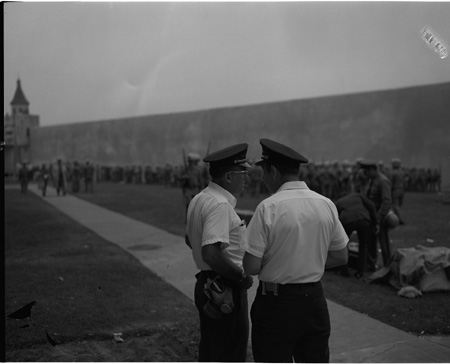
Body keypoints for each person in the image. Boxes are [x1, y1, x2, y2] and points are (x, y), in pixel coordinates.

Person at [242, 139, 348, 363]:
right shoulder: (326, 203)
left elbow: (251, 266)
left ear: (272, 171)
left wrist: (283, 261)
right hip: (314, 301)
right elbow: (340, 256)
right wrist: (308, 261)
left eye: (263, 172)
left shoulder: (268, 207)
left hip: (276, 304)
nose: (262, 179)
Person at [185, 143, 254, 362]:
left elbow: (190, 239)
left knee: (213, 349)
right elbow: (211, 253)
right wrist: (240, 276)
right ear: (228, 177)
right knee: (231, 351)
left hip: (208, 283)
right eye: (243, 173)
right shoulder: (220, 205)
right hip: (224, 288)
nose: (247, 179)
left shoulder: (200, 198)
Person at [334, 192, 378, 279]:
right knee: (363, 246)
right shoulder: (357, 195)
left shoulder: (338, 202)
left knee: (344, 245)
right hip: (364, 219)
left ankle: (344, 270)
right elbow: (372, 206)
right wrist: (375, 223)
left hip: (347, 221)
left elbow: (335, 217)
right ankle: (360, 272)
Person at [359, 160, 393, 268]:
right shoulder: (371, 180)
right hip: (370, 214)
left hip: (379, 215)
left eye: (367, 172)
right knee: (371, 240)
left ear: (373, 170)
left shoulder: (383, 181)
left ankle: (388, 265)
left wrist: (378, 217)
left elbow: (387, 201)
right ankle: (371, 264)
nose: (366, 174)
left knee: (384, 242)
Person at [390, 158, 406, 225]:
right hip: (402, 190)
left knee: (396, 206)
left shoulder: (393, 173)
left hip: (395, 190)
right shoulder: (402, 172)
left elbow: (390, 183)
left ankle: (400, 219)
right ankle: (397, 218)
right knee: (399, 205)